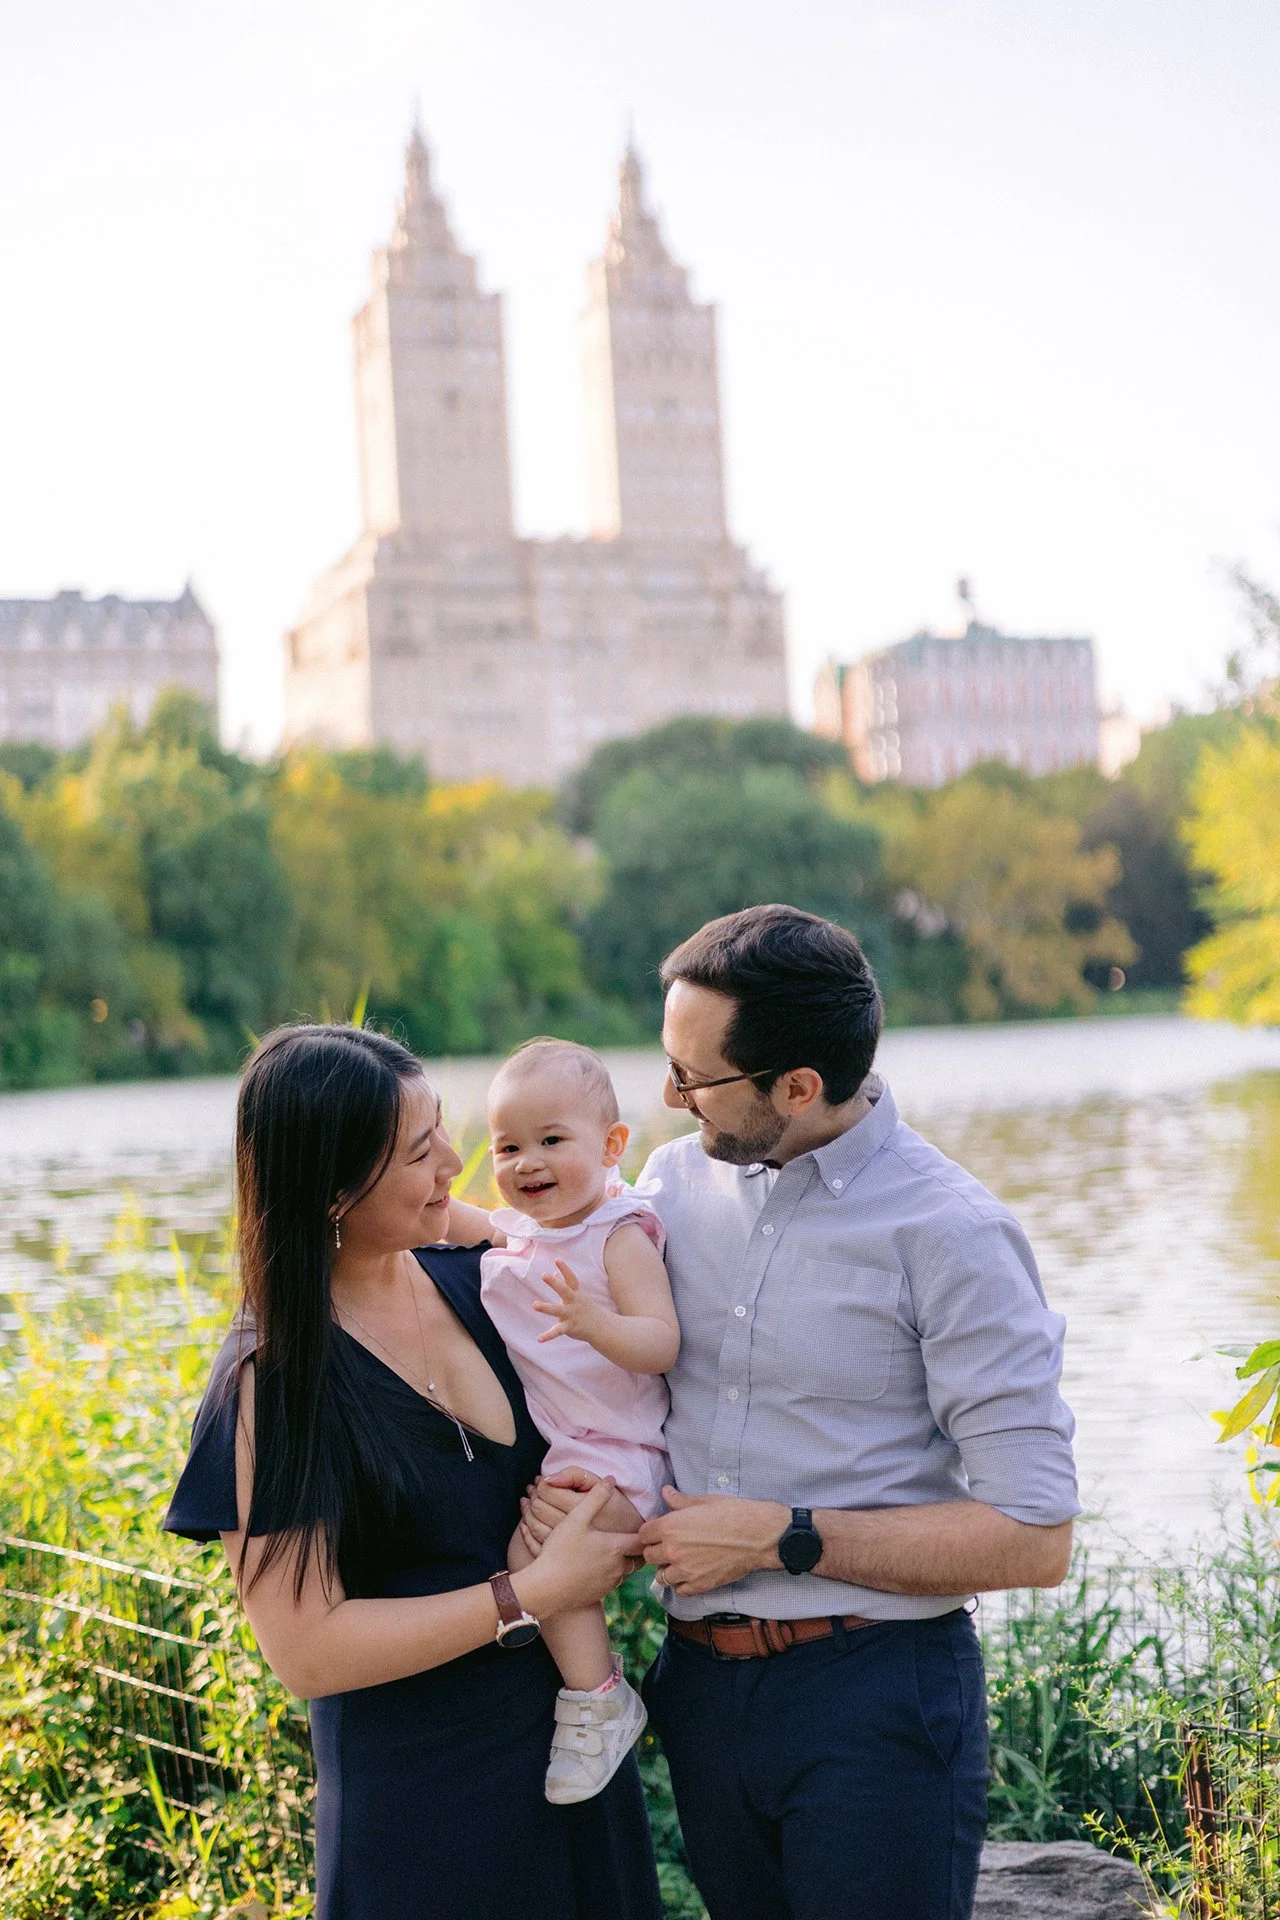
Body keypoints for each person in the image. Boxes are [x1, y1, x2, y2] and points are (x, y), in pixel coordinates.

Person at [524, 904, 1079, 1920]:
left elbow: (1034, 1537)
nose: (668, 1094)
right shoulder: (662, 1188)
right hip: (696, 1691)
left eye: (691, 1077)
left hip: (872, 1702)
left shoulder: (949, 1233)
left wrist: (783, 1539)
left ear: (798, 1087)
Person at [163, 1024, 662, 1920]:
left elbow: (614, 1407)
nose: (460, 1162)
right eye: (421, 1151)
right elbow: (307, 1650)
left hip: (573, 1766)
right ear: (333, 1189)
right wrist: (531, 1591)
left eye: (445, 1133)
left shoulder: (487, 1279)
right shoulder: (276, 1379)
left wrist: (602, 1523)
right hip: (426, 1814)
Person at [448, 1036, 679, 1805]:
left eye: (552, 1140)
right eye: (507, 1146)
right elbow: (457, 1217)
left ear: (613, 1146)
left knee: (538, 1558)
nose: (526, 1162)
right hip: (574, 1456)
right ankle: (597, 1693)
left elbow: (660, 1341)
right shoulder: (525, 1233)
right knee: (529, 1558)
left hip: (627, 1456)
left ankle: (597, 1699)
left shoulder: (618, 1234)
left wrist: (593, 1323)